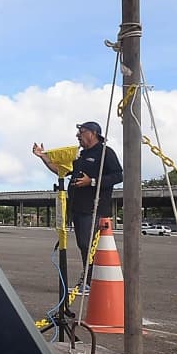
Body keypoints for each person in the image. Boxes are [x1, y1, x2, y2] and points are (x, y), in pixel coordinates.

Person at [33, 121, 124, 293]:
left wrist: (93, 181)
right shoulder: (80, 155)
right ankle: (89, 281)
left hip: (94, 209)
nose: (78, 136)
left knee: (89, 245)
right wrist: (43, 157)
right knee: (83, 245)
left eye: (81, 132)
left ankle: (91, 282)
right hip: (78, 208)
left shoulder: (105, 153)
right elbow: (62, 170)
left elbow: (118, 175)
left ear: (93, 133)